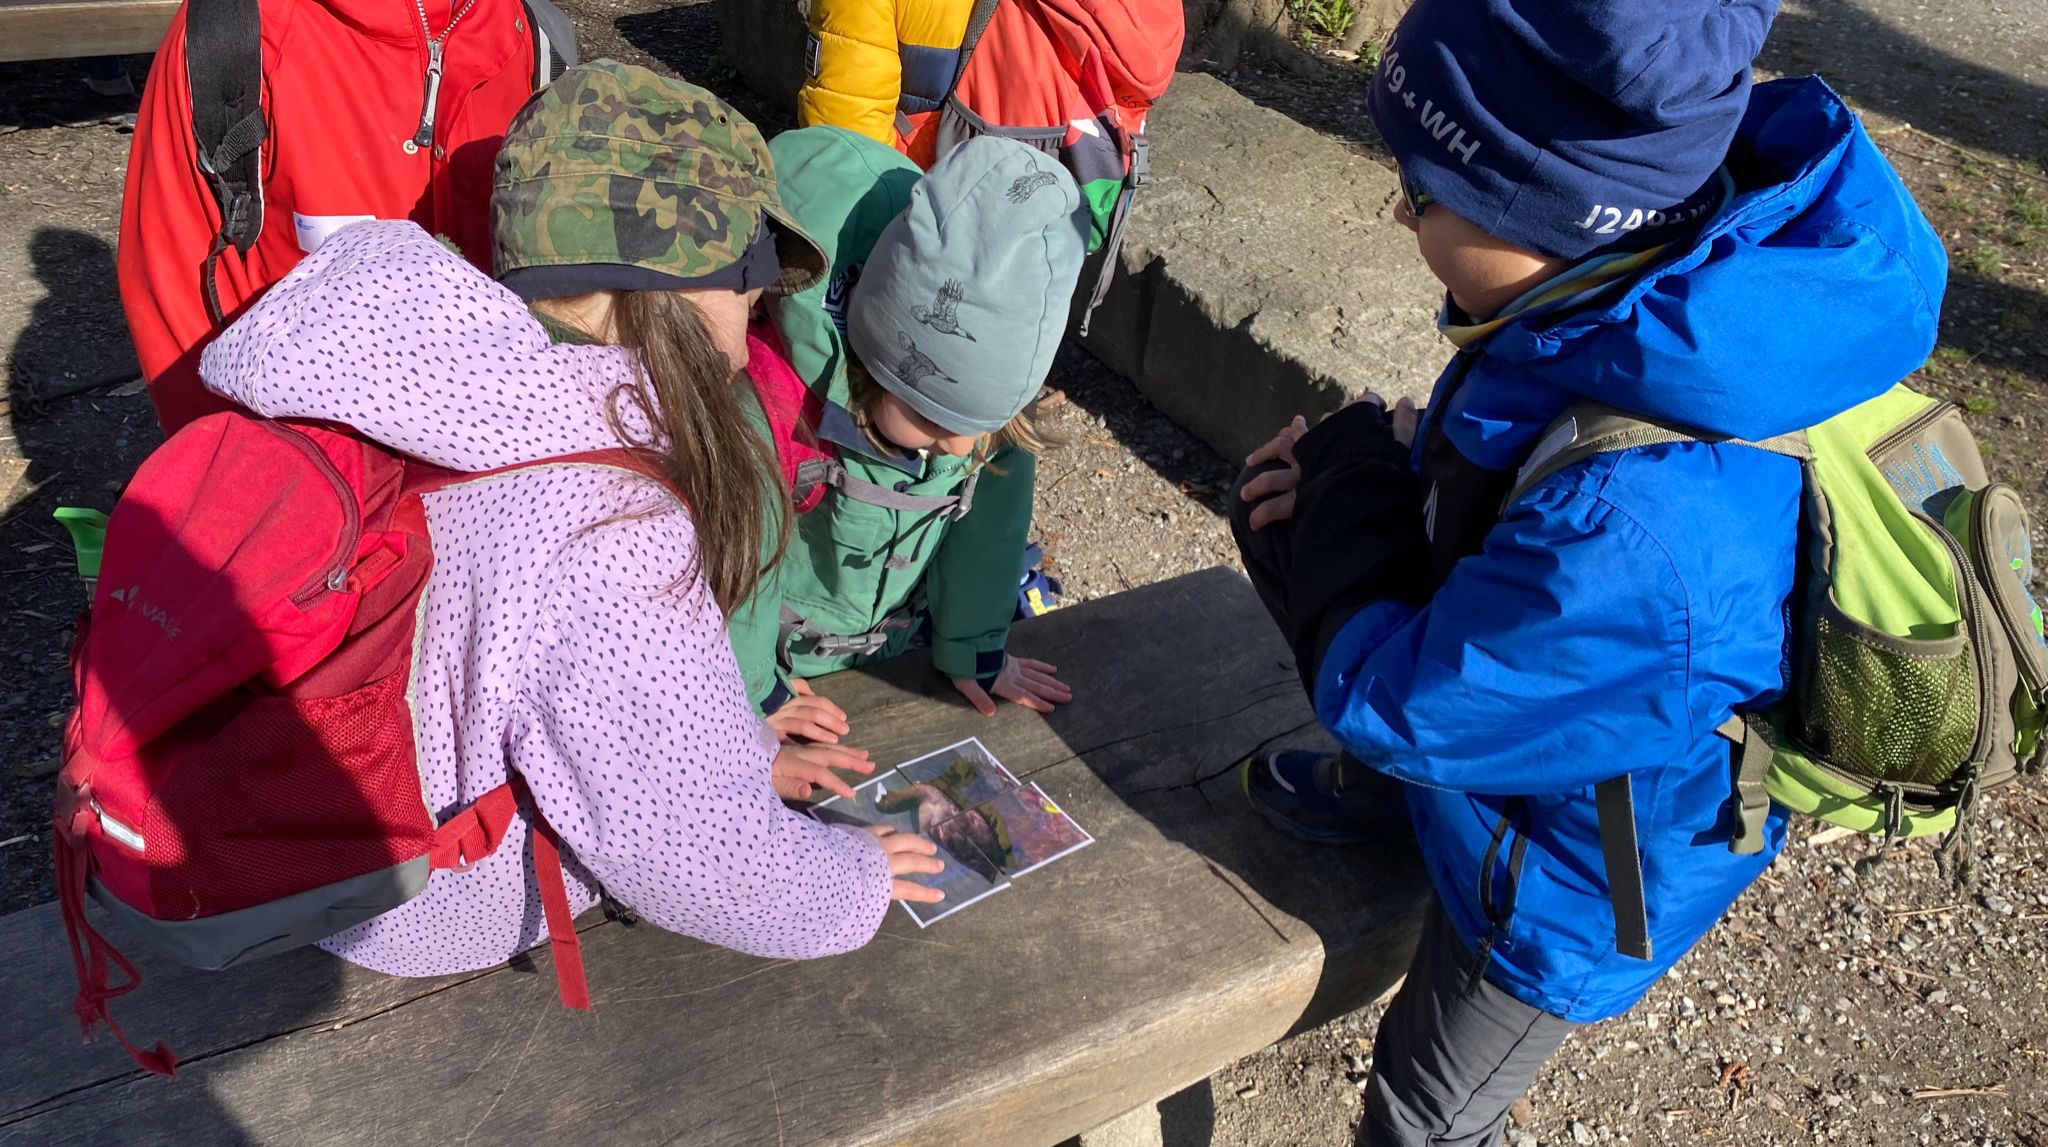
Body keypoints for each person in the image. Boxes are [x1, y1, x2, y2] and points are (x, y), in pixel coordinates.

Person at [1228, 0, 1948, 1142]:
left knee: (1427, 1102)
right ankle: (1413, 810)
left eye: (1420, 194)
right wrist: (1381, 468)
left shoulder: (1640, 535)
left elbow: (1404, 700)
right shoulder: (1633, 294)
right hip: (1546, 703)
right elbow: (1529, 463)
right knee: (1330, 556)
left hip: (1569, 878)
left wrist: (1345, 506)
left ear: (1554, 216)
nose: (1399, 211)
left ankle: (1431, 859)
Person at [194, 61, 946, 977]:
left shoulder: (427, 374)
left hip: (290, 832)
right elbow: (700, 858)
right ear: (665, 273)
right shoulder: (606, 524)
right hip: (430, 902)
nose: (759, 309)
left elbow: (562, 673)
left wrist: (736, 748)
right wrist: (851, 881)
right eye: (749, 270)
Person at [729, 125, 1086, 726]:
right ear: (873, 364)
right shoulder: (772, 408)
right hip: (769, 665)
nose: (962, 445)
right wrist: (754, 695)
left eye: (982, 424)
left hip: (895, 646)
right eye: (930, 417)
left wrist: (974, 649)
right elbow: (735, 565)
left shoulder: (977, 423)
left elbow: (989, 531)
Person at [120, 0, 576, 434]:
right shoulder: (233, 35)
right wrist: (243, 488)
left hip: (496, 468)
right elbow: (175, 284)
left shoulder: (535, 37)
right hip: (304, 472)